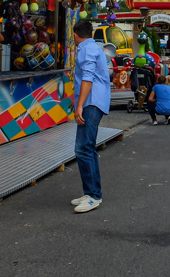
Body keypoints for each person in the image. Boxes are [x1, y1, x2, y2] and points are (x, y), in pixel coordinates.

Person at [70, 19, 110, 213]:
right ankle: (91, 192)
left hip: (91, 102)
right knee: (87, 147)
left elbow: (87, 78)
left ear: (75, 35)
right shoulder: (94, 47)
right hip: (94, 101)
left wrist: (79, 105)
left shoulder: (86, 50)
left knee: (83, 147)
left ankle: (94, 195)